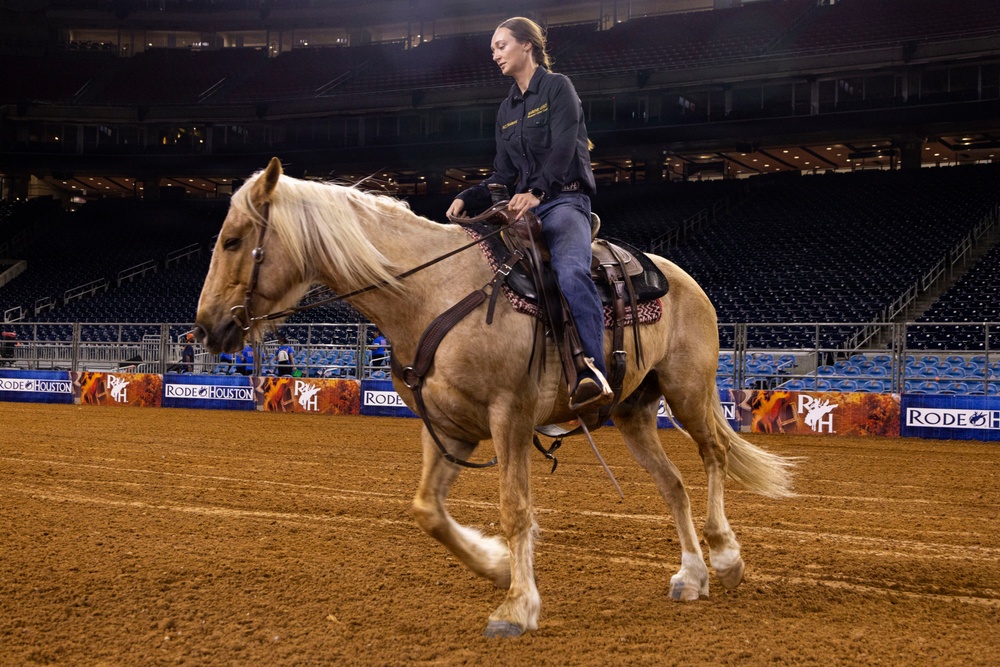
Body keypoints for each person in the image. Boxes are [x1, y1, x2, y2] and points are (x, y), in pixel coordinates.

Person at [446, 16, 612, 412]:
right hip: (525, 208)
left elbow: (565, 147)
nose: (495, 55)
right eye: (492, 50)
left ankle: (593, 367)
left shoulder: (558, 88)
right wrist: (470, 196)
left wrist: (537, 190)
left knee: (571, 271)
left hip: (565, 202)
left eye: (501, 46)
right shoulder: (506, 108)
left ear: (527, 46)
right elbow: (503, 172)